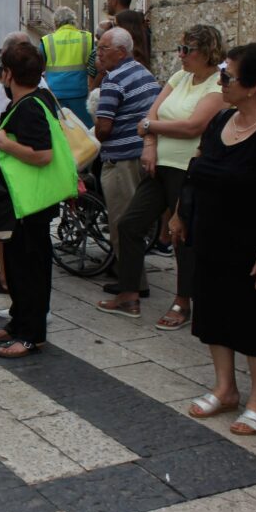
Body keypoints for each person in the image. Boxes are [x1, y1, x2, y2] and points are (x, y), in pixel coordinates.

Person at [179, 44, 256, 435]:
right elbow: (198, 165)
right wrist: (181, 213)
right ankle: (225, 389)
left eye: (227, 76)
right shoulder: (221, 121)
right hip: (212, 238)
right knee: (214, 317)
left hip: (255, 245)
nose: (221, 82)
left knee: (255, 324)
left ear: (253, 86)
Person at [99, 25, 225, 326]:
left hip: (189, 170)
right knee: (129, 224)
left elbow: (194, 126)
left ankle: (183, 302)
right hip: (159, 165)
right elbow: (150, 115)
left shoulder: (218, 85)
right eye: (179, 48)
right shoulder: (180, 77)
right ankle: (129, 294)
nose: (180, 55)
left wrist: (151, 129)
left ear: (206, 52)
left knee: (182, 236)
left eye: (187, 50)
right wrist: (150, 145)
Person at [0, 43, 63, 358]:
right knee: (17, 267)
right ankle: (18, 322)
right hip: (21, 203)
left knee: (31, 269)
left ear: (9, 74)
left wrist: (2, 142)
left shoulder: (30, 106)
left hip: (29, 205)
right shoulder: (30, 100)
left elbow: (42, 155)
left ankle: (31, 335)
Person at [89, 28, 161, 305]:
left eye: (104, 48)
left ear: (121, 51)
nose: (99, 53)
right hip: (143, 153)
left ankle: (132, 284)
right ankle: (133, 278)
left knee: (121, 223)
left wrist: (95, 127)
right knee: (135, 222)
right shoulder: (143, 72)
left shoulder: (113, 80)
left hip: (121, 159)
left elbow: (103, 130)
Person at [41, 6, 94, 127]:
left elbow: (38, 67)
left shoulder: (47, 41)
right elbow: (95, 65)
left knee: (61, 131)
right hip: (80, 94)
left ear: (55, 23)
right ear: (74, 21)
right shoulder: (86, 38)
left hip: (55, 96)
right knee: (85, 132)